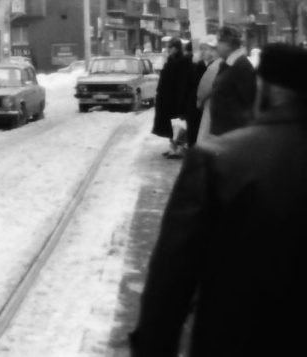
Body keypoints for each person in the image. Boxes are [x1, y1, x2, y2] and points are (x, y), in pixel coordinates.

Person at [129, 43, 307, 356]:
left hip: (236, 337)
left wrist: (154, 343)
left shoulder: (218, 161)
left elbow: (174, 271)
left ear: (266, 89)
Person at [202, 25, 256, 139]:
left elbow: (249, 100)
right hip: (223, 132)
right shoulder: (226, 64)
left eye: (219, 42)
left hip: (233, 133)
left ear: (228, 44)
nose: (216, 46)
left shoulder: (242, 66)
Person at [152, 37, 194, 158]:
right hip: (167, 100)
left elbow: (182, 83)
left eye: (169, 47)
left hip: (175, 100)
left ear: (176, 48)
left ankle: (179, 149)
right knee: (170, 126)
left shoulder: (182, 62)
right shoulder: (171, 60)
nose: (167, 49)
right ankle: (172, 147)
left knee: (178, 126)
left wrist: (181, 101)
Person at [185, 35, 218, 147]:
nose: (203, 52)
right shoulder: (197, 65)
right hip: (194, 109)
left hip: (207, 110)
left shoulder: (216, 66)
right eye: (201, 49)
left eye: (206, 49)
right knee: (193, 138)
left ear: (214, 50)